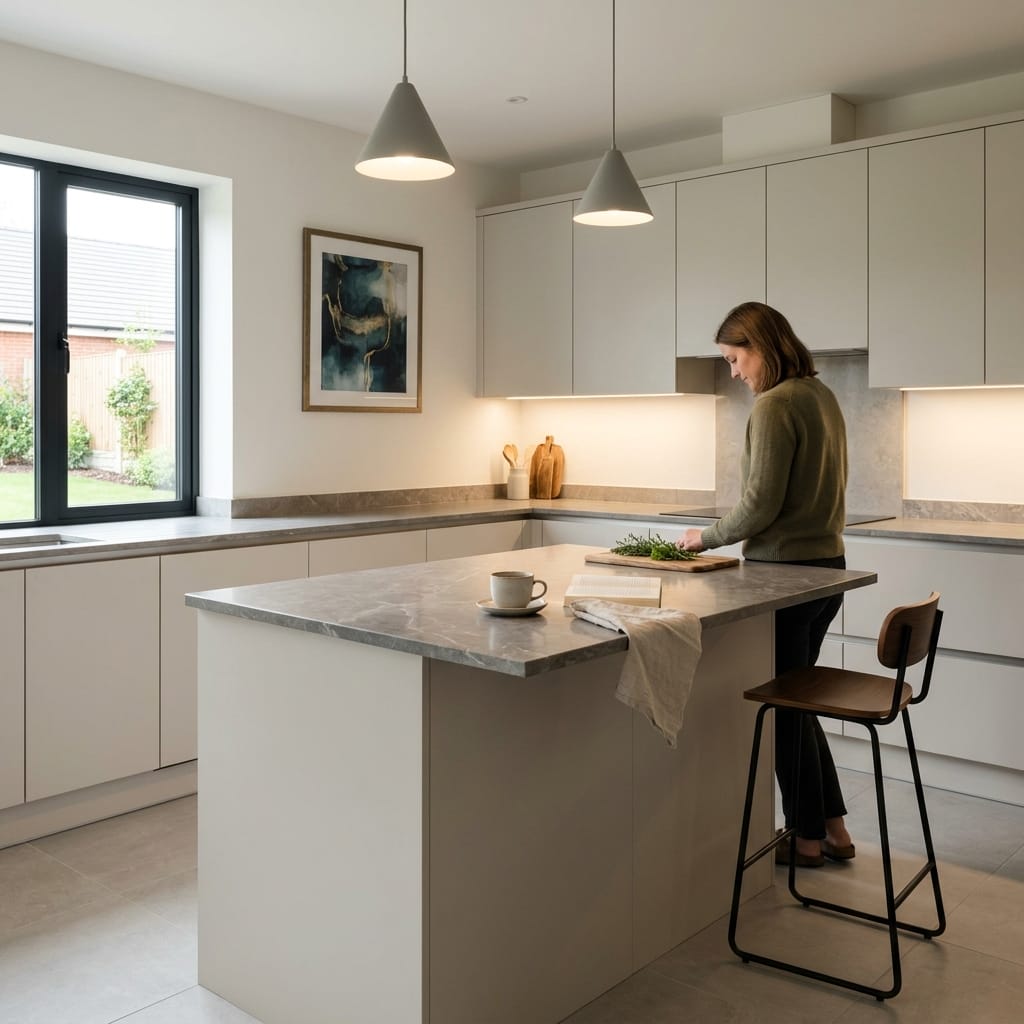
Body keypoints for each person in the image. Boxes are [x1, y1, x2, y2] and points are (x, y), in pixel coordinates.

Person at [679, 301, 855, 868]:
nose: (734, 373)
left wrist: (705, 538)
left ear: (760, 347)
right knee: (796, 701)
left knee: (782, 709)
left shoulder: (776, 404)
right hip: (827, 570)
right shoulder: (820, 396)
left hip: (782, 577)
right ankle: (833, 829)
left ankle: (804, 839)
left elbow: (759, 505)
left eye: (735, 359)